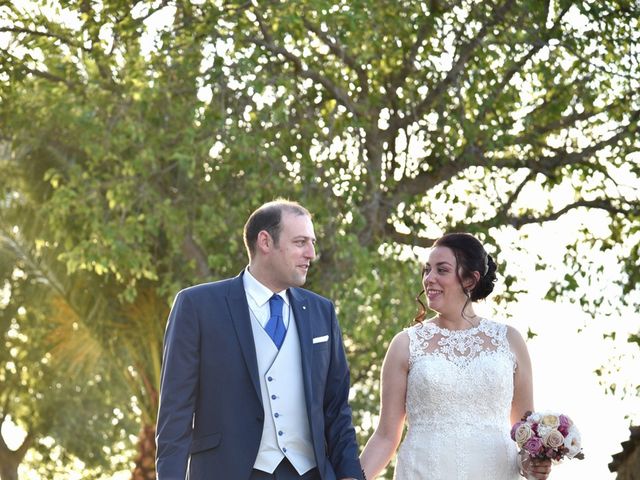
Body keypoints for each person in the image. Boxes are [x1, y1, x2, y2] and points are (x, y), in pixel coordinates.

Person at [156, 200, 364, 480]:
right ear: (265, 241)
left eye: (312, 242)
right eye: (300, 242)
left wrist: (350, 475)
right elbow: (175, 413)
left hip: (309, 473)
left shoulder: (321, 312)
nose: (311, 253)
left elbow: (336, 408)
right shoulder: (197, 306)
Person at [359, 232, 552, 480]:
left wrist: (533, 465)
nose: (429, 279)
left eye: (442, 270)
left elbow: (525, 436)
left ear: (470, 280)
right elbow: (386, 437)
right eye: (427, 270)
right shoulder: (405, 344)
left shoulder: (510, 341)